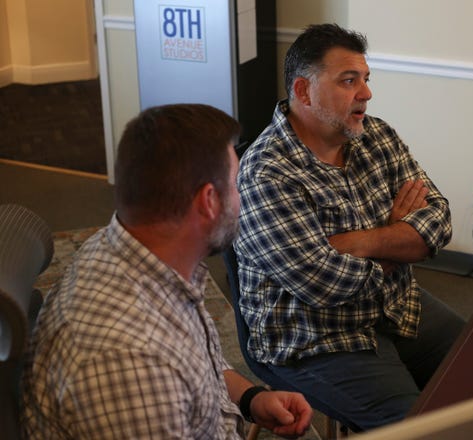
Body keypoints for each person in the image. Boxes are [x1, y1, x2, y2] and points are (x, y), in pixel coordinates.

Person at [20, 104, 312, 439]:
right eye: (235, 185)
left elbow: (196, 362)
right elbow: (159, 369)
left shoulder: (137, 251)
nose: (242, 199)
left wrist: (251, 398)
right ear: (208, 201)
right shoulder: (132, 369)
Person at [234, 23, 465, 432]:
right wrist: (397, 239)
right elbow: (322, 284)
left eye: (366, 79)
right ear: (304, 91)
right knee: (419, 428)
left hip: (396, 306)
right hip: (311, 338)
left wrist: (359, 242)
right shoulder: (266, 171)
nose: (366, 93)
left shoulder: (376, 136)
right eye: (348, 80)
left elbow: (439, 221)